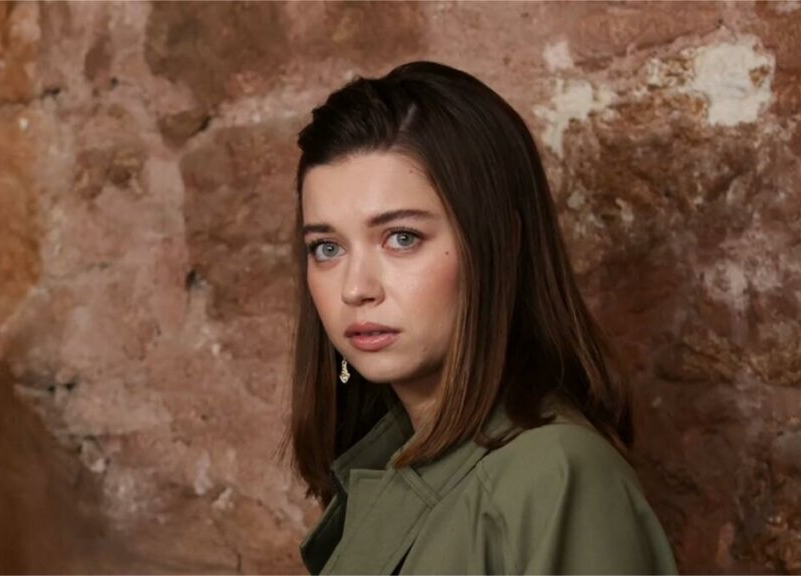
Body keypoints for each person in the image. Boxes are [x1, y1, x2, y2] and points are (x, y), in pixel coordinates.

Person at [281, 60, 678, 575]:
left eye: (402, 238)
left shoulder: (555, 475)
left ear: (500, 245)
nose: (355, 289)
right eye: (327, 247)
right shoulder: (391, 460)